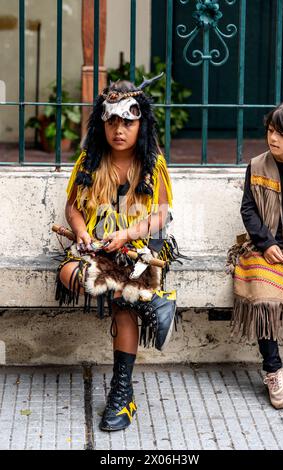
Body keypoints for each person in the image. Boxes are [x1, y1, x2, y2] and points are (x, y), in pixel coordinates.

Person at [54, 73, 181, 431]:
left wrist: (127, 234)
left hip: (140, 251)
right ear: (102, 124)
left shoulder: (153, 165)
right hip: (95, 248)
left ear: (142, 122)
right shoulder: (90, 162)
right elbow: (73, 208)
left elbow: (161, 215)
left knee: (123, 298)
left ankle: (121, 393)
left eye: (128, 121)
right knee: (70, 274)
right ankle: (153, 302)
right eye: (111, 121)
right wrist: (80, 233)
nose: (119, 129)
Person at [228, 100, 283, 409]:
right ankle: (272, 368)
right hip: (264, 247)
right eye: (270, 130)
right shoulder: (257, 166)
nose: (273, 138)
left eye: (282, 133)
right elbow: (248, 209)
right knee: (262, 290)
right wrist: (267, 243)